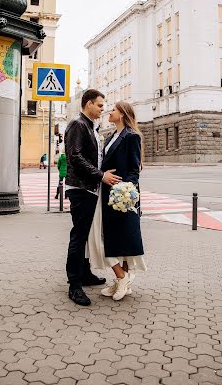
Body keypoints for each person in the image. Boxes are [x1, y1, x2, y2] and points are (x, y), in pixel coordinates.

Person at [65, 89, 122, 306]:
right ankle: (74, 285)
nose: (102, 108)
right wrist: (101, 176)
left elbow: (96, 156)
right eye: (99, 105)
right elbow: (75, 157)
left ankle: (85, 274)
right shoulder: (78, 125)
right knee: (79, 236)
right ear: (88, 104)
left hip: (89, 188)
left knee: (87, 235)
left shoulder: (91, 127)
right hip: (80, 189)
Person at [87, 101, 146, 301]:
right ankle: (122, 278)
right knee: (109, 237)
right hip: (107, 193)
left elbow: (133, 170)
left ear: (122, 114)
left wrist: (124, 191)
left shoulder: (131, 136)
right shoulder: (110, 136)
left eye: (113, 109)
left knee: (124, 238)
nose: (109, 112)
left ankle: (122, 279)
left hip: (123, 196)